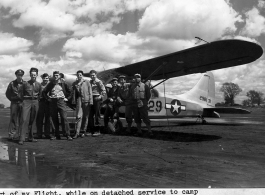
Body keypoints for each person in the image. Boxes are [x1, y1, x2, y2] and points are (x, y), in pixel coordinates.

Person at [42, 71, 72, 141]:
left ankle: (67, 134)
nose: (56, 76)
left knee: (64, 118)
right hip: (53, 102)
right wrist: (48, 98)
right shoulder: (50, 84)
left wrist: (67, 98)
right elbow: (44, 92)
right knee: (54, 119)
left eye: (57, 75)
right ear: (53, 76)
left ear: (59, 76)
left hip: (61, 101)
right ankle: (56, 134)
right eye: (54, 75)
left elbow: (70, 91)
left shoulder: (63, 83)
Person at [18, 68, 42, 145]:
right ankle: (21, 138)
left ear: (37, 75)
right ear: (30, 75)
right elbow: (20, 94)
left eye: (34, 75)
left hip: (35, 101)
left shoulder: (39, 84)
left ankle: (31, 137)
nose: (33, 76)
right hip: (26, 101)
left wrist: (36, 101)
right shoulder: (25, 84)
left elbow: (40, 94)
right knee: (24, 119)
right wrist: (23, 101)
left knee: (33, 120)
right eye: (32, 74)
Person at [71, 70, 93, 139]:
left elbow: (90, 92)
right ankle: (77, 132)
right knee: (78, 116)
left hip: (86, 100)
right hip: (79, 100)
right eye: (78, 75)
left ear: (82, 75)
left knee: (85, 116)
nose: (79, 76)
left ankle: (83, 131)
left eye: (80, 75)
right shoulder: (75, 83)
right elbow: (73, 93)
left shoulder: (87, 82)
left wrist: (91, 101)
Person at [5, 69, 26, 140]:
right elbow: (7, 94)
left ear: (22, 75)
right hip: (14, 103)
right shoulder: (12, 83)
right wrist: (13, 99)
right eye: (18, 75)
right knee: (13, 119)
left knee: (22, 119)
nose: (19, 76)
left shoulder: (25, 84)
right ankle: (12, 134)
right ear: (16, 75)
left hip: (22, 103)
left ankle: (20, 134)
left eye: (21, 75)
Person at [87, 70, 106, 136]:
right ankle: (91, 129)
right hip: (91, 98)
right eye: (91, 75)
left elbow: (103, 90)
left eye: (93, 75)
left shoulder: (98, 82)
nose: (92, 76)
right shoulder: (90, 82)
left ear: (96, 75)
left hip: (96, 98)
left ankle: (97, 130)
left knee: (97, 114)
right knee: (90, 115)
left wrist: (100, 97)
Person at [36, 73, 51, 139]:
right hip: (41, 103)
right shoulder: (39, 85)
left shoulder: (51, 85)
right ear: (42, 78)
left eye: (47, 78)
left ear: (48, 78)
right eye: (44, 78)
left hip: (49, 103)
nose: (45, 80)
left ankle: (47, 134)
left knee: (48, 119)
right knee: (40, 119)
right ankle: (39, 134)